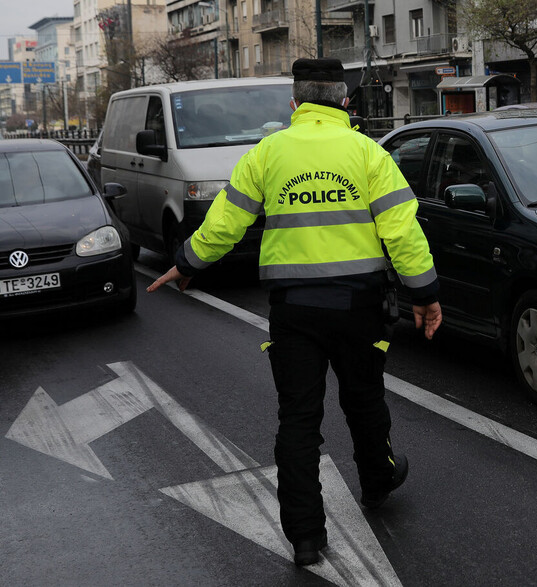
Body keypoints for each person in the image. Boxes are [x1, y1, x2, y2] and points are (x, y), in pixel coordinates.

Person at [146, 57, 442, 567]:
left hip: (294, 310)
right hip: (359, 306)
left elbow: (224, 223)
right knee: (365, 400)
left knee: (299, 420)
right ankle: (376, 481)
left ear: (295, 104)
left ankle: (306, 537)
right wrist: (425, 293)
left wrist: (186, 263)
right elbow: (402, 231)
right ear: (344, 102)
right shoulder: (368, 153)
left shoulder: (268, 153)